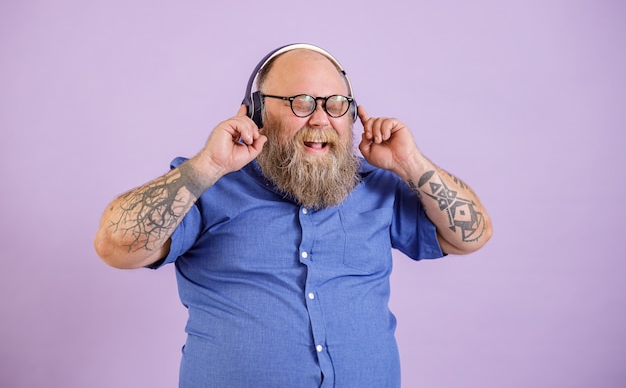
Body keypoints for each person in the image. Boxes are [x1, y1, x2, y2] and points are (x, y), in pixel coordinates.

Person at [94, 43, 493, 388]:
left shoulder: (377, 187)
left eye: (336, 105)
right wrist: (208, 166)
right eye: (300, 103)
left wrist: (409, 162)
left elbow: (472, 235)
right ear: (256, 113)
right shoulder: (206, 185)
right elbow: (116, 247)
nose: (320, 118)